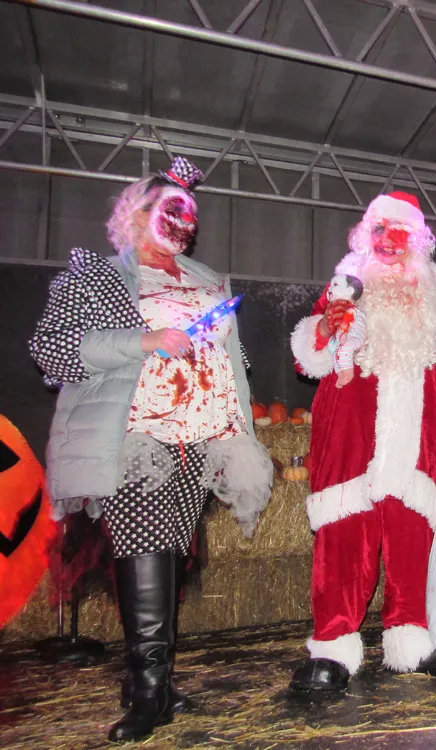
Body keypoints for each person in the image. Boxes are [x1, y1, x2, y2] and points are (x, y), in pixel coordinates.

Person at [29, 157, 273, 743]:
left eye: (191, 212)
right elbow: (51, 349)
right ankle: (147, 693)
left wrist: (233, 390)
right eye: (172, 209)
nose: (185, 220)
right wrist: (145, 340)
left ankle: (157, 683)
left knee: (167, 558)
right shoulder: (98, 276)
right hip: (139, 435)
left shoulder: (208, 280)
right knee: (142, 550)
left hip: (202, 438)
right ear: (136, 215)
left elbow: (229, 359)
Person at [288, 191, 436, 694]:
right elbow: (310, 358)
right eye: (379, 229)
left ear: (418, 240)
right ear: (364, 235)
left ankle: (412, 636)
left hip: (416, 438)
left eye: (400, 232)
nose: (389, 241)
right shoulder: (347, 282)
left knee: (413, 537)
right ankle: (333, 645)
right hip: (349, 434)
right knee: (343, 538)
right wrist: (327, 324)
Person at [323, 273, 366, 388]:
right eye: (330, 285)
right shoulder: (338, 309)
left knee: (343, 349)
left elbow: (347, 322)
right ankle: (340, 374)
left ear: (350, 291)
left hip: (355, 338)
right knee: (335, 353)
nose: (330, 289)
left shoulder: (351, 310)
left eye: (335, 285)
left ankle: (348, 374)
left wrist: (342, 335)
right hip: (342, 338)